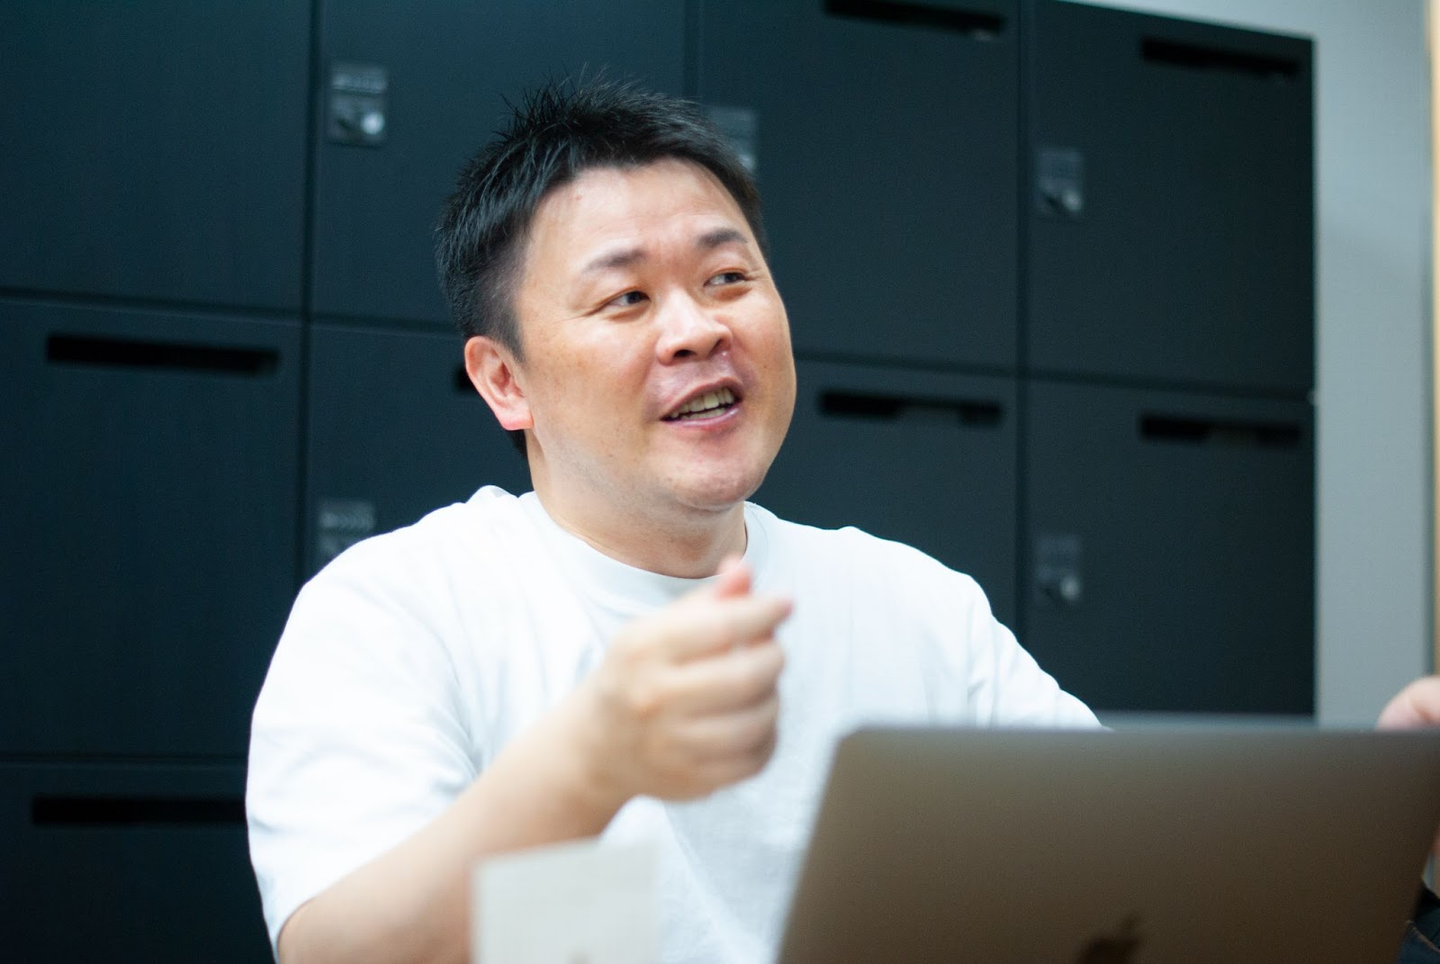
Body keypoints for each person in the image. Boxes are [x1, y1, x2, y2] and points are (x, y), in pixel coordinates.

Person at [246, 79, 1097, 964]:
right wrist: (591, 764)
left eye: (727, 279)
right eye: (626, 298)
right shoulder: (397, 612)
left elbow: (1118, 861)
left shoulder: (916, 606)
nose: (696, 330)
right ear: (505, 380)